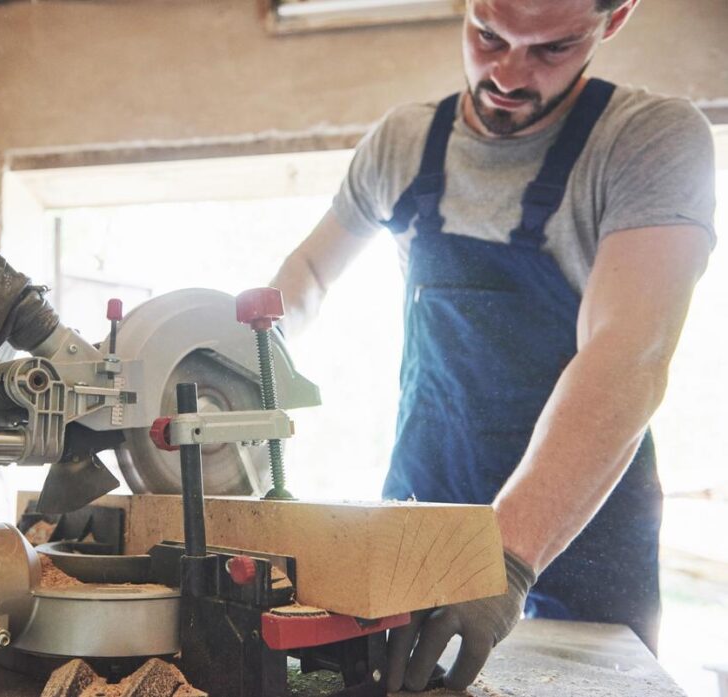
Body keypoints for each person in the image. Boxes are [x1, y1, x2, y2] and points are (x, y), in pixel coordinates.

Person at [271, 0, 716, 691]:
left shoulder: (649, 140)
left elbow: (627, 356)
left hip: (580, 529)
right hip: (427, 504)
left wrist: (506, 560)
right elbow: (303, 280)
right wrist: (236, 358)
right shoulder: (403, 144)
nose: (508, 73)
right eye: (488, 35)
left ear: (615, 17)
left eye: (551, 49)